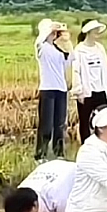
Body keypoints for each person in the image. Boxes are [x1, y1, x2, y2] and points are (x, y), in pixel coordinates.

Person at [34, 19, 77, 162]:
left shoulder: (57, 49)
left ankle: (59, 153)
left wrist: (67, 41)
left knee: (59, 124)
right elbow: (40, 39)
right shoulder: (42, 47)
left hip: (61, 89)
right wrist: (53, 26)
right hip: (48, 89)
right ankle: (41, 154)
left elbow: (70, 60)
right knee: (46, 124)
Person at [73, 19, 107, 144]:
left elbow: (106, 68)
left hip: (100, 89)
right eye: (95, 30)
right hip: (87, 91)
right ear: (88, 32)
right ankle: (86, 146)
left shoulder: (100, 48)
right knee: (85, 121)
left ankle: (102, 144)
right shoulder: (79, 50)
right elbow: (76, 71)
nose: (97, 33)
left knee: (103, 119)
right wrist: (79, 90)